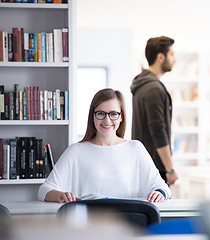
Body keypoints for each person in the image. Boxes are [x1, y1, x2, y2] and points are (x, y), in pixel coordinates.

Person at [38, 88, 171, 203]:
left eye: (113, 114)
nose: (107, 120)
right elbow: (44, 190)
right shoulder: (76, 151)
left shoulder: (136, 148)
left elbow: (163, 188)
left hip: (130, 225)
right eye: (101, 113)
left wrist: (160, 193)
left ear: (121, 117)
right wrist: (60, 195)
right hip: (90, 226)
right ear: (93, 116)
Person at [131, 36, 178, 185]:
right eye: (172, 54)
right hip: (155, 168)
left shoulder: (143, 84)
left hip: (144, 165)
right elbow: (158, 130)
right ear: (160, 57)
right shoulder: (154, 89)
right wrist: (170, 169)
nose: (174, 59)